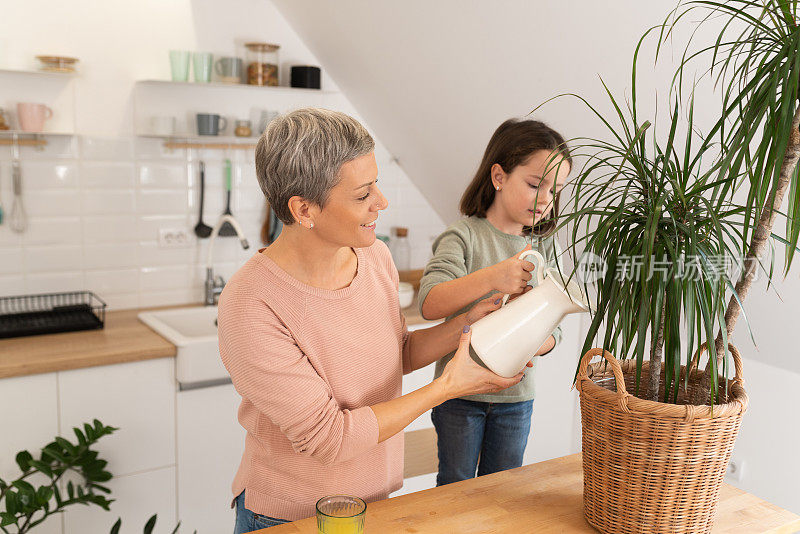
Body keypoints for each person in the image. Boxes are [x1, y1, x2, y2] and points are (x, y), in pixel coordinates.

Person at [217, 108, 524, 533]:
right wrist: (450, 386)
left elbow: (397, 354)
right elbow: (330, 439)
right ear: (304, 208)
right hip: (288, 517)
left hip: (374, 506)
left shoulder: (373, 256)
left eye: (376, 183)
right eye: (363, 195)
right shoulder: (250, 303)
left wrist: (468, 323)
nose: (381, 201)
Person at [418, 118, 572, 486]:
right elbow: (430, 303)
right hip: (459, 394)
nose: (546, 199)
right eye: (536, 185)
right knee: (455, 487)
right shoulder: (463, 236)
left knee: (503, 492)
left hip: (516, 398)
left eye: (556, 190)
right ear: (499, 176)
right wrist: (493, 277)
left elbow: (558, 330)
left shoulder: (546, 248)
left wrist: (539, 340)